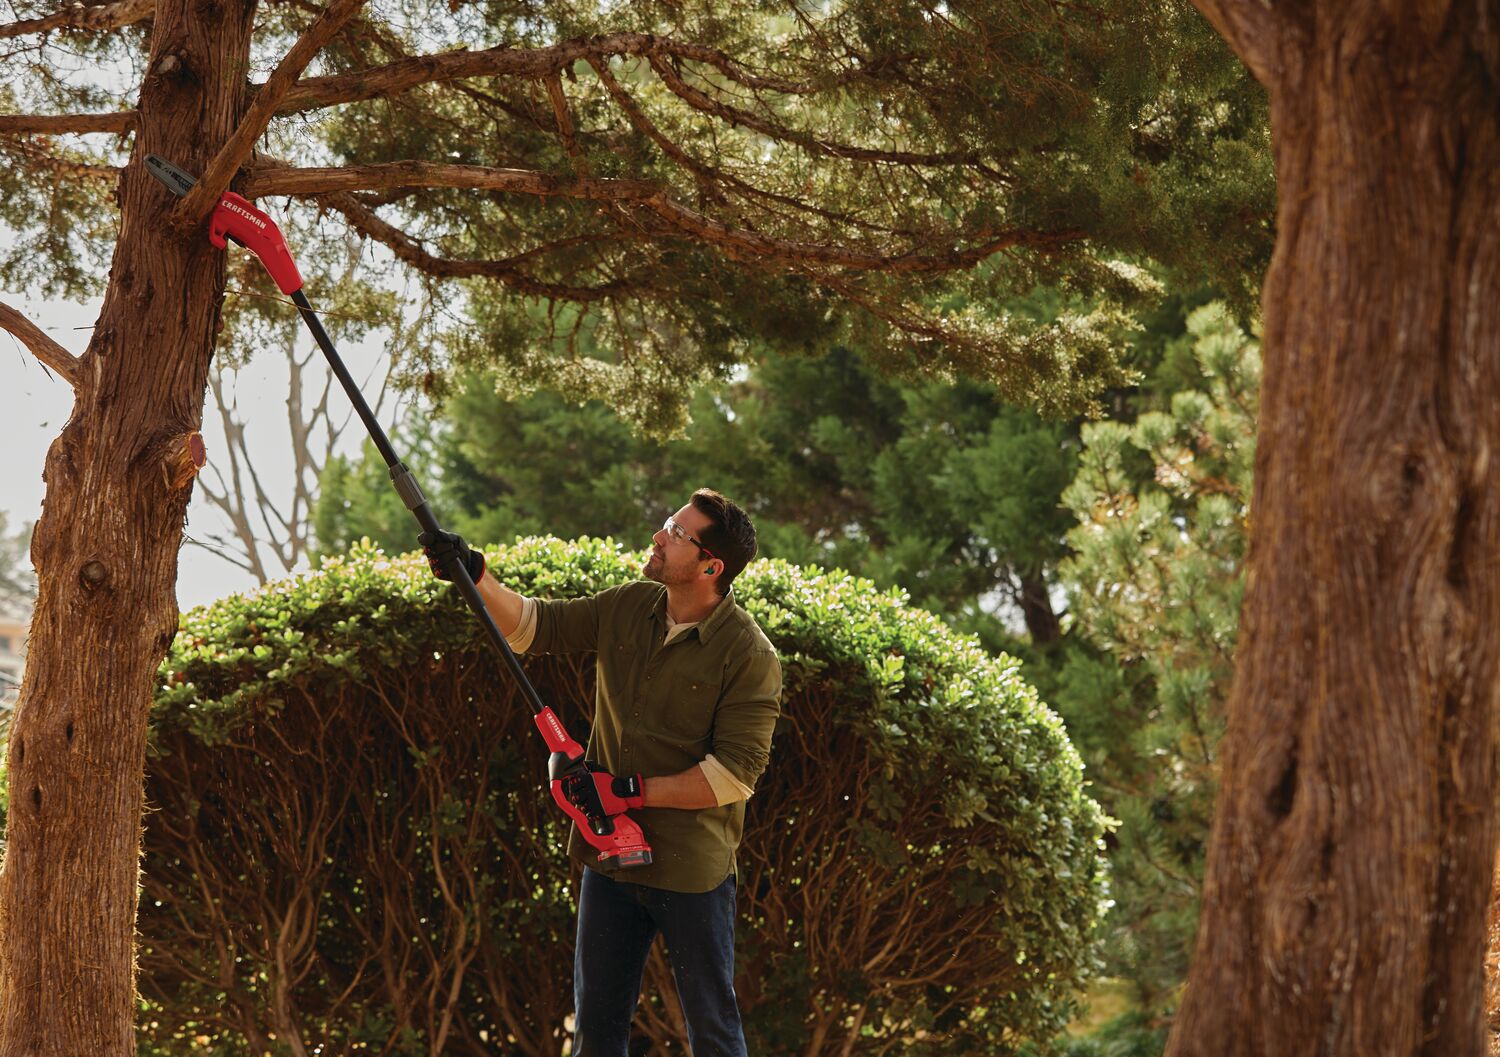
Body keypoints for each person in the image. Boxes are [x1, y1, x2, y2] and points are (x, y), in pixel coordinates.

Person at [420, 489, 782, 1057]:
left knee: (712, 1032)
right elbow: (534, 627)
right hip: (609, 859)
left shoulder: (749, 654)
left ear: (711, 566)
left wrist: (624, 792)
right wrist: (476, 573)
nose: (660, 536)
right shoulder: (629, 605)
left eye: (677, 533)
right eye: (668, 523)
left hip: (692, 871)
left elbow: (733, 776)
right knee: (595, 1031)